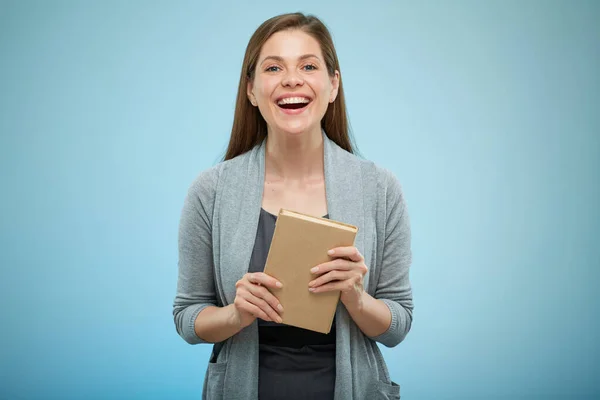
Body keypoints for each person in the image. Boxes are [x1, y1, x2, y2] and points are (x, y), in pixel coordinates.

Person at [173, 12, 413, 400]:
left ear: (333, 85)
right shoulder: (211, 191)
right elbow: (187, 317)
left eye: (308, 65)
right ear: (251, 90)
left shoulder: (379, 188)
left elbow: (398, 324)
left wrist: (355, 296)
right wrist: (235, 313)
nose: (291, 79)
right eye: (273, 67)